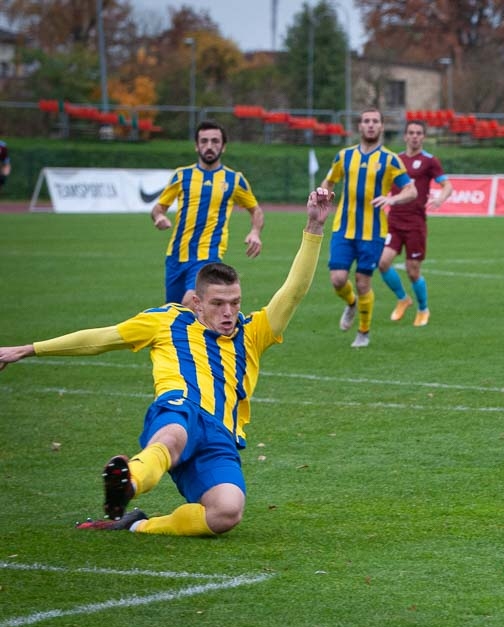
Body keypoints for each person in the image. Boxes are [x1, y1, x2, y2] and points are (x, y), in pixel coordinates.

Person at [0, 188, 335, 536]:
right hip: (180, 408)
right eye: (219, 303)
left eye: (235, 303)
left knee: (226, 513)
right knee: (173, 436)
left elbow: (293, 291)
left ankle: (137, 525)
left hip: (219, 436)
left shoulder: (254, 332)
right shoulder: (167, 321)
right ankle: (127, 483)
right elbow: (102, 338)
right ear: (197, 303)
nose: (229, 312)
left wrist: (314, 226)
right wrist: (28, 348)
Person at [320, 107, 417, 347]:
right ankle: (351, 303)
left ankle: (363, 332)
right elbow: (329, 182)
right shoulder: (344, 156)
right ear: (359, 126)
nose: (371, 125)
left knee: (364, 282)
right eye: (366, 121)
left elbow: (411, 190)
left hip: (373, 232)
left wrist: (392, 199)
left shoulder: (390, 159)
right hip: (343, 228)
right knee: (338, 279)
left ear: (381, 127)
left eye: (375, 121)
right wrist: (322, 200)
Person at [151, 120, 265, 305]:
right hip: (175, 256)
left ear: (223, 146)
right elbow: (158, 208)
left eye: (215, 141)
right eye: (204, 141)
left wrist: (255, 232)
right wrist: (160, 217)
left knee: (190, 302)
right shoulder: (182, 176)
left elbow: (256, 210)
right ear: (197, 146)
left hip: (208, 254)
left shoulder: (234, 180)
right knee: (173, 313)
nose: (209, 146)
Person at [378, 119, 454, 328]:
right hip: (394, 220)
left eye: (418, 133)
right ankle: (403, 299)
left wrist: (440, 198)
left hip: (416, 223)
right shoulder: (395, 160)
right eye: (411, 132)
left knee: (413, 271)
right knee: (382, 263)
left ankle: (423, 309)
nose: (414, 136)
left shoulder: (430, 161)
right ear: (405, 136)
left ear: (423, 137)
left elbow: (447, 185)